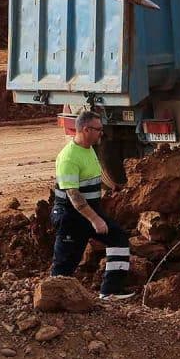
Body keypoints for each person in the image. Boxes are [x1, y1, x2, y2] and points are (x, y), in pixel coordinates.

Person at [50, 110, 134, 300]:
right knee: (66, 261)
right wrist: (95, 220)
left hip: (89, 211)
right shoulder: (69, 157)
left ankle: (110, 291)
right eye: (98, 130)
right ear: (86, 129)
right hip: (70, 215)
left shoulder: (89, 149)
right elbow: (73, 195)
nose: (101, 133)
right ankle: (53, 298)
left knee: (118, 237)